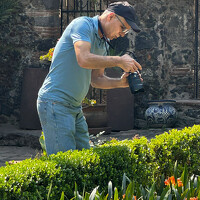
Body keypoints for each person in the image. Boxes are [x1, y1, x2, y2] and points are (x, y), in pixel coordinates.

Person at [37, 1, 142, 155]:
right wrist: (119, 60)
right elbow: (84, 59)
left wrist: (120, 83)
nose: (122, 34)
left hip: (74, 107)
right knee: (66, 165)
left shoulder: (103, 43)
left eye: (125, 32)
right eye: (123, 28)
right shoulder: (82, 25)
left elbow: (97, 79)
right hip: (55, 103)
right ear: (111, 17)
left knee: (85, 161)